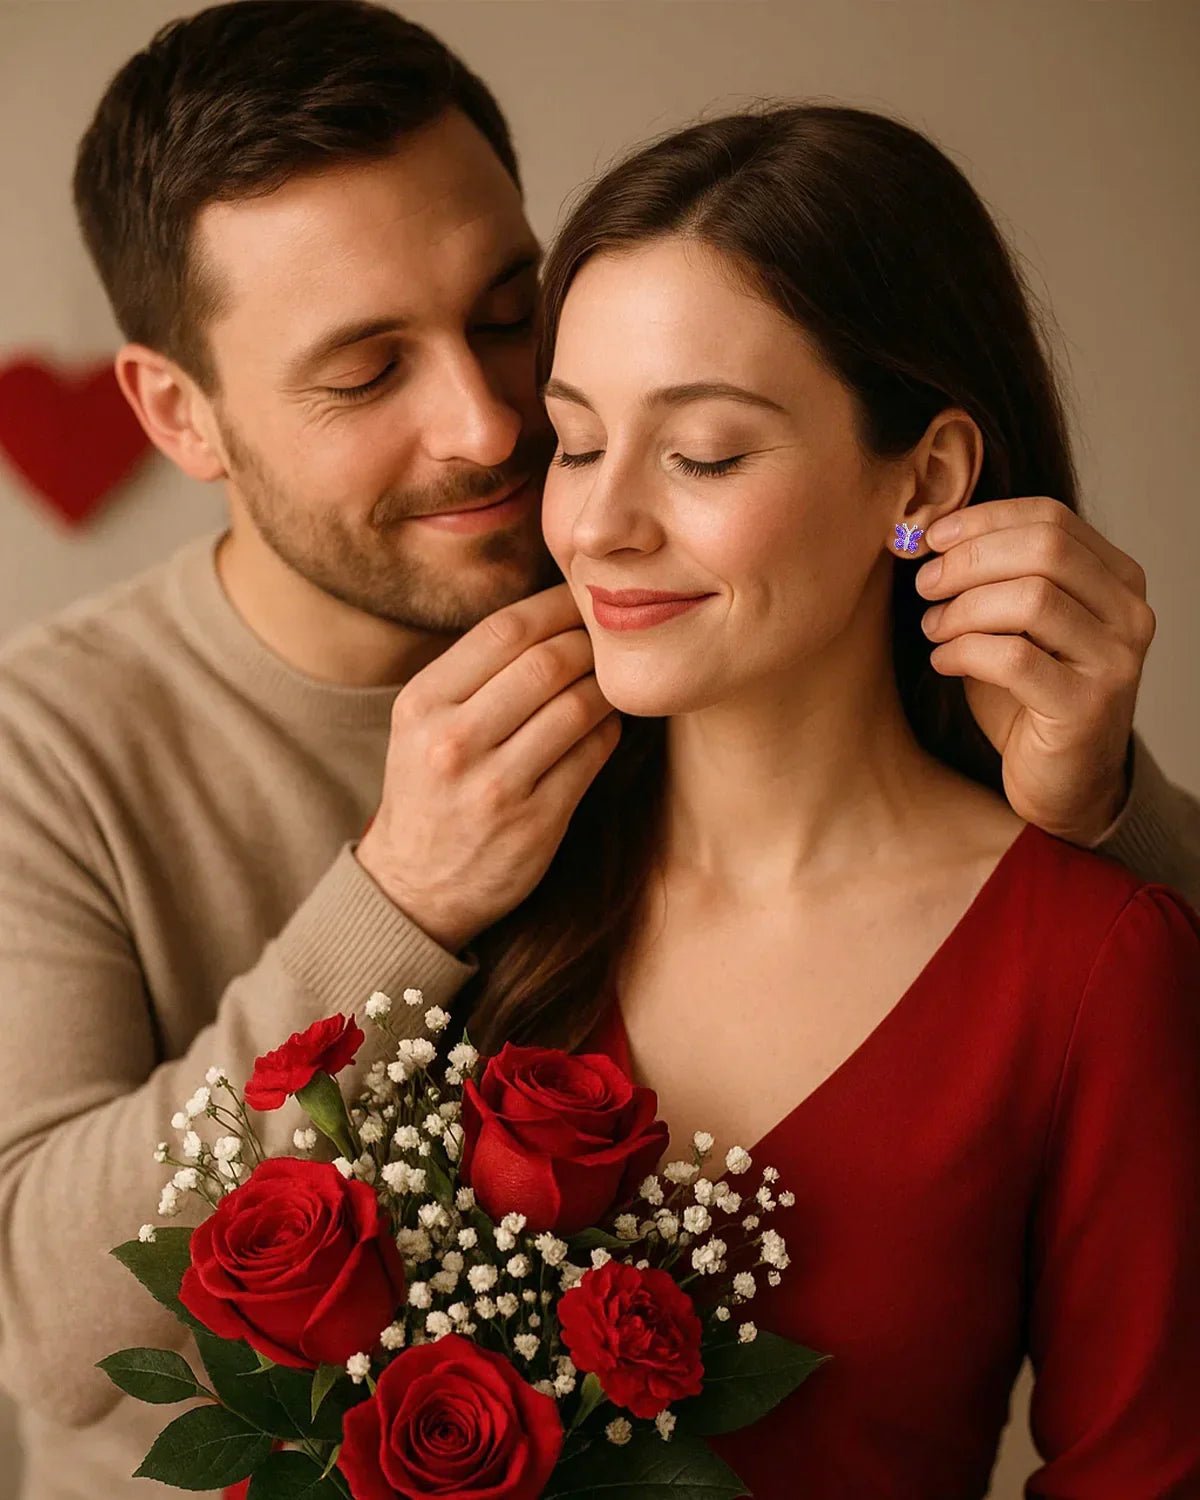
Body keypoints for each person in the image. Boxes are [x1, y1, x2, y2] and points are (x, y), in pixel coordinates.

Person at [0, 3, 1194, 1497]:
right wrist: (405, 897)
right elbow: (45, 1330)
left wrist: (1104, 812)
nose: (494, 430)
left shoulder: (687, 665)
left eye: (512, 317)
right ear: (180, 412)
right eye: (367, 373)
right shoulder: (45, 752)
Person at [453, 103, 1200, 1495]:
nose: (599, 524)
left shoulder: (1092, 965)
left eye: (705, 455)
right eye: (571, 440)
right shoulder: (478, 880)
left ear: (922, 480)